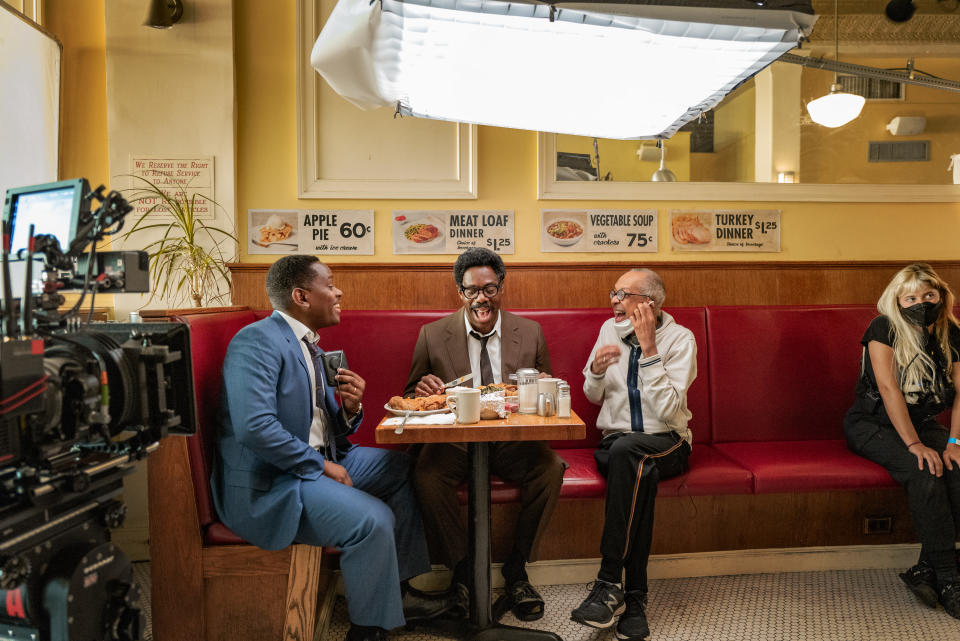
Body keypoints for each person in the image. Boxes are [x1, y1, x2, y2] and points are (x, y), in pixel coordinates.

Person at [210, 255, 453, 641]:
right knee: (372, 520)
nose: (338, 291)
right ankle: (368, 629)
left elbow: (321, 428)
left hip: (322, 459)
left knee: (406, 467)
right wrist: (320, 467)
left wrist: (351, 409)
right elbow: (255, 427)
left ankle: (399, 590)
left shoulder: (312, 347)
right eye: (330, 283)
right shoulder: (256, 341)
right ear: (302, 296)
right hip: (273, 482)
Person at [404, 247, 565, 621]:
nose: (481, 298)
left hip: (512, 440)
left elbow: (547, 395)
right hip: (455, 440)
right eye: (471, 290)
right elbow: (412, 391)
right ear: (459, 292)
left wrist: (546, 386)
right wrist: (423, 389)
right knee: (426, 475)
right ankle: (462, 572)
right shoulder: (432, 335)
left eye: (489, 289)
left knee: (550, 468)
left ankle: (516, 570)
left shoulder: (530, 333)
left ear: (501, 288)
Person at [570, 268, 697, 641]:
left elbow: (671, 413)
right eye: (613, 292)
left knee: (635, 460)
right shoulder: (610, 331)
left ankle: (609, 583)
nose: (613, 300)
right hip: (618, 443)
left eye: (623, 293)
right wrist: (594, 371)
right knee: (637, 466)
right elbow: (593, 396)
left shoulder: (680, 339)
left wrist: (650, 351)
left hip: (667, 441)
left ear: (649, 303)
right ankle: (635, 598)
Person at [844, 262, 960, 620]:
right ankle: (949, 576)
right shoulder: (884, 328)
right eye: (910, 297)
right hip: (873, 424)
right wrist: (914, 446)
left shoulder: (951, 332)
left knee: (955, 468)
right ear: (897, 300)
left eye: (928, 295)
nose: (920, 302)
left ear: (942, 296)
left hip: (923, 424)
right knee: (925, 471)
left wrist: (955, 441)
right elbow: (889, 389)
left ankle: (925, 568)